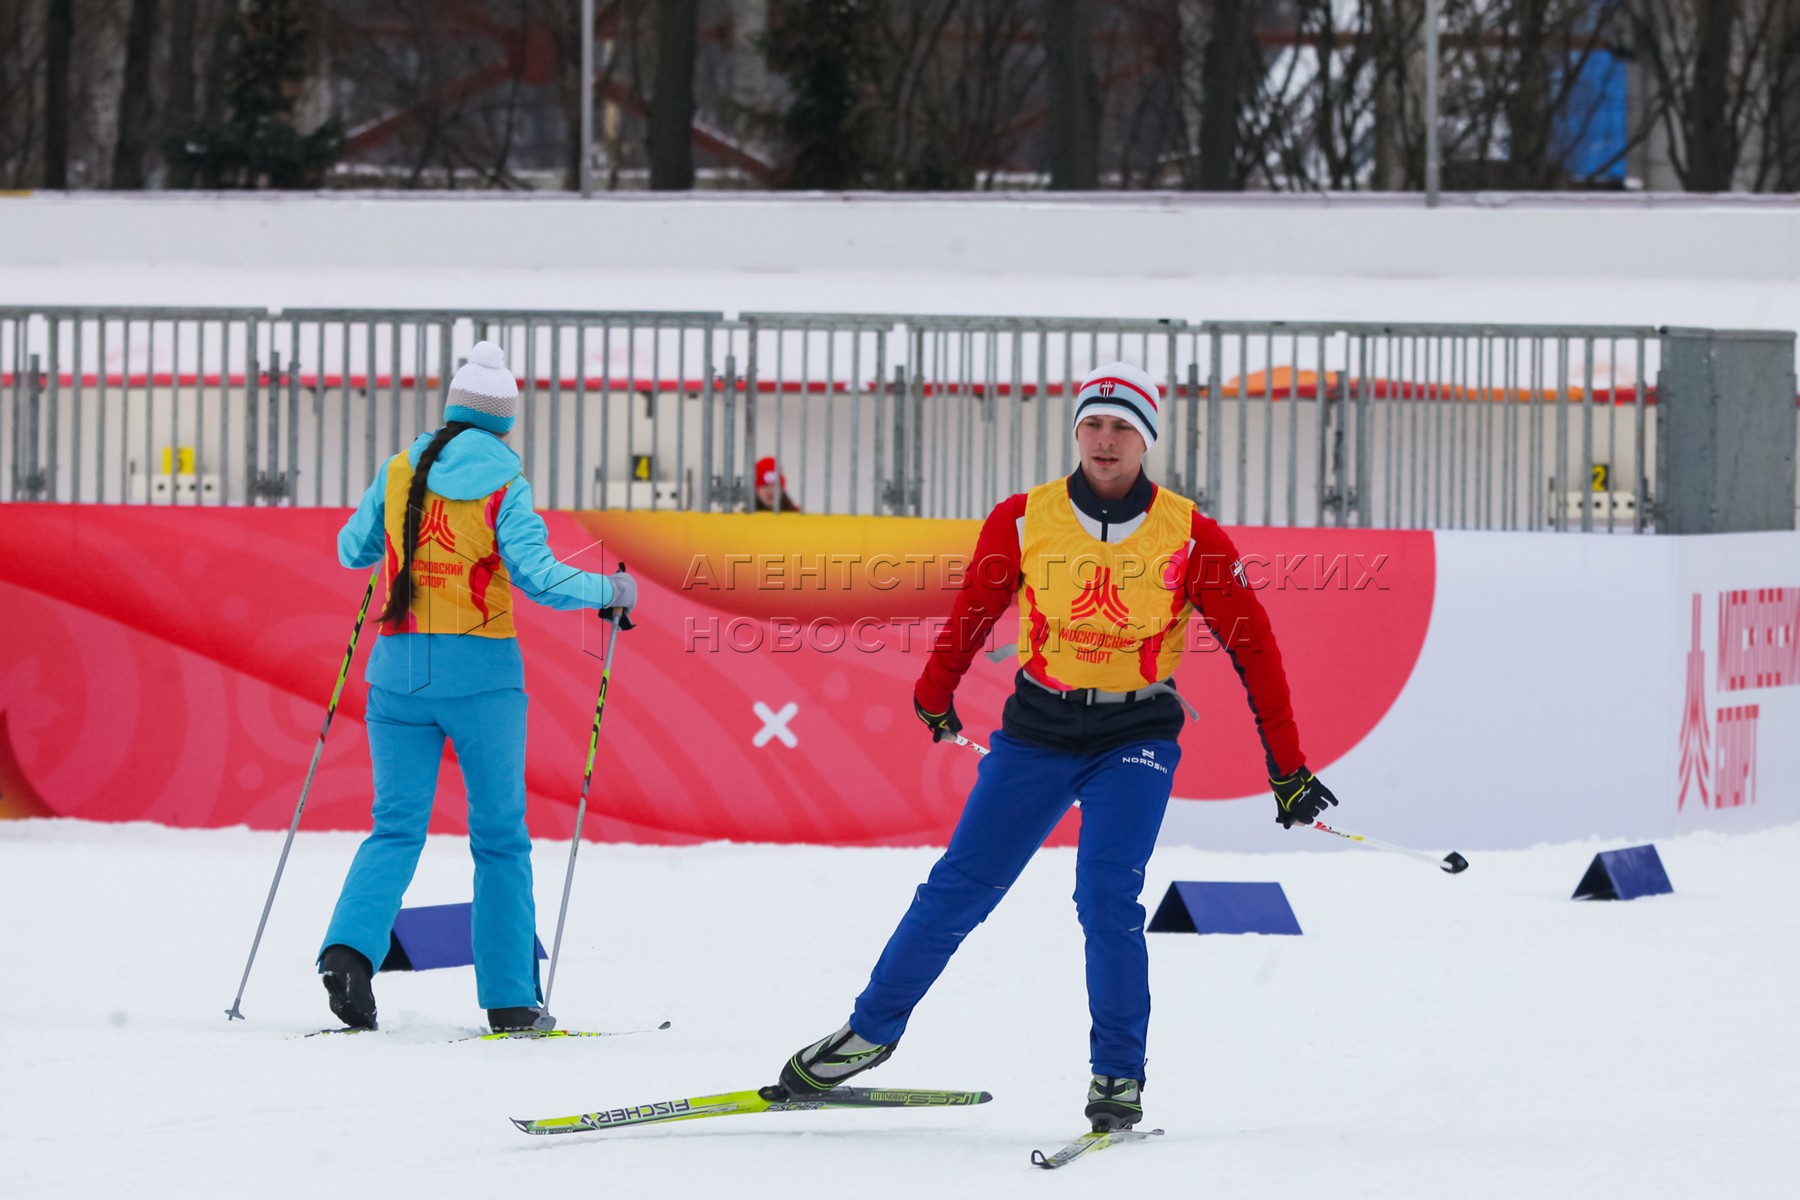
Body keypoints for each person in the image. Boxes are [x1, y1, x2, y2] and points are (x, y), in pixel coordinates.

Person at [776, 361, 1339, 1130]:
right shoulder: (1021, 518)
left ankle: (1117, 1075)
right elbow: (973, 610)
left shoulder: (1192, 534)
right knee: (960, 887)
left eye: (1123, 428)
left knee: (1106, 896)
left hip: (1134, 735)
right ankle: (869, 1032)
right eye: (1093, 425)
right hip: (1039, 729)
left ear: (1146, 440)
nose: (1105, 441)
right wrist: (933, 694)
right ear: (1076, 432)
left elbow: (1256, 649)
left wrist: (1288, 766)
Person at [319, 340, 636, 1034]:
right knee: (498, 838)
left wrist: (393, 544)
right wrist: (610, 590)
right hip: (483, 680)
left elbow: (352, 550)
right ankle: (511, 998)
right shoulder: (505, 483)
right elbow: (541, 577)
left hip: (395, 674)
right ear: (504, 421)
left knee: (394, 828)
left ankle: (347, 953)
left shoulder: (401, 468)